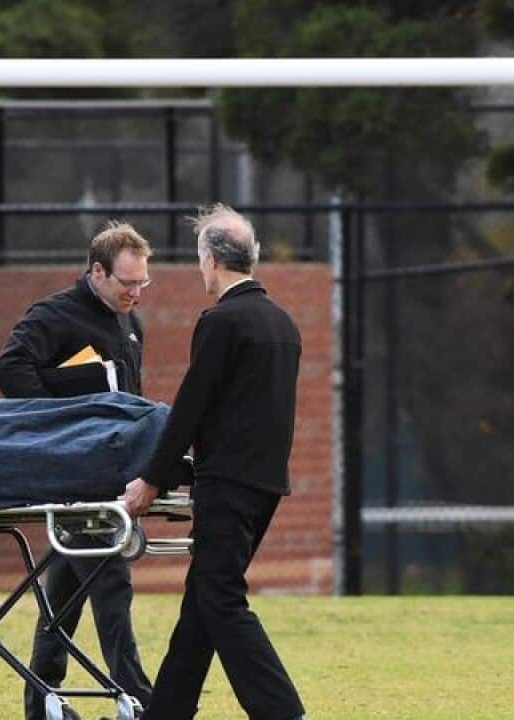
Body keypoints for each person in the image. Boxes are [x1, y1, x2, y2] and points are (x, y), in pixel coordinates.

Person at [120, 204, 306, 720]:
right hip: (267, 483)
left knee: (221, 599)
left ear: (211, 260)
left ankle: (283, 713)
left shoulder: (222, 321)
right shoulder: (281, 323)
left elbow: (191, 409)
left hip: (227, 482)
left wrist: (151, 480)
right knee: (202, 601)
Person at [0, 220, 156, 720]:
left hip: (109, 471)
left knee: (64, 592)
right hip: (76, 476)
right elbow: (9, 368)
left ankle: (41, 702)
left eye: (143, 283)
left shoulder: (130, 321)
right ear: (98, 272)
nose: (136, 292)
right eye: (127, 283)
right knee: (110, 583)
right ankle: (141, 701)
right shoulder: (56, 315)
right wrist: (58, 427)